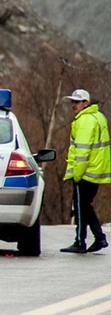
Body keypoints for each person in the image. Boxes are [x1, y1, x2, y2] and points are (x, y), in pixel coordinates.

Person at [60, 89, 111, 254]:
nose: (73, 105)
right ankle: (99, 237)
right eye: (72, 102)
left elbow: (82, 151)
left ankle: (80, 241)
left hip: (86, 171)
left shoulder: (84, 120)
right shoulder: (99, 117)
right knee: (86, 206)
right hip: (97, 170)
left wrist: (77, 174)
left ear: (86, 103)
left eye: (77, 102)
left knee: (81, 207)